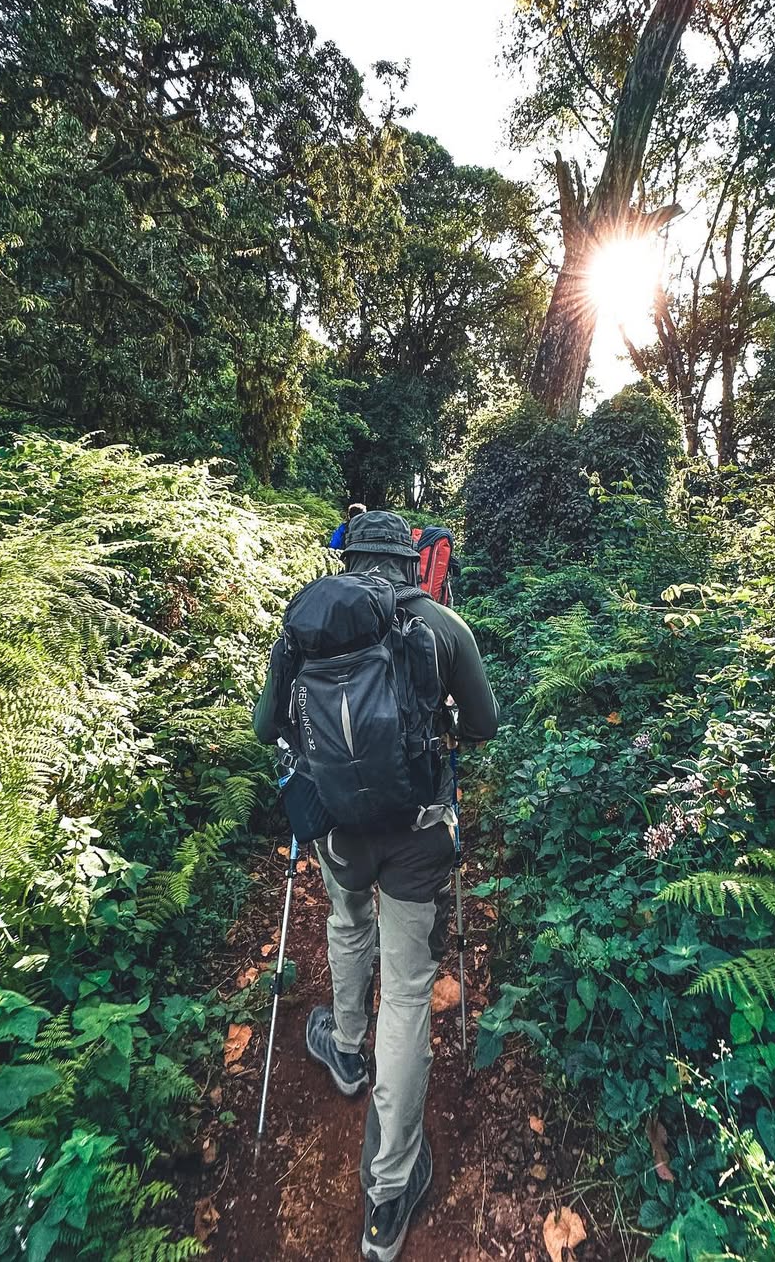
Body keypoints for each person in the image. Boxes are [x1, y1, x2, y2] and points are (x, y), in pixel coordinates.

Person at [253, 511, 498, 1262]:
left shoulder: (307, 621)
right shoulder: (442, 625)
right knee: (410, 992)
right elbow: (484, 725)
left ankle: (346, 1047)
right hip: (418, 836)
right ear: (410, 562)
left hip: (339, 831)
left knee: (347, 921)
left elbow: (267, 728)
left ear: (350, 558)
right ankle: (388, 1191)